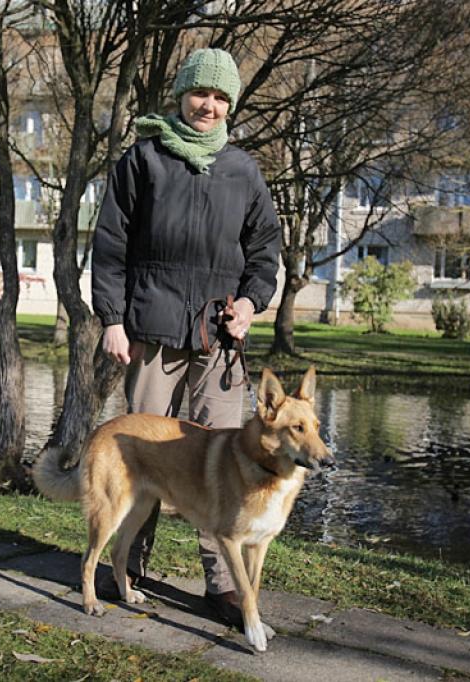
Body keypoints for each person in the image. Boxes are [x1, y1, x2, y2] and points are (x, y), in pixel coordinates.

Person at [91, 47, 281, 626]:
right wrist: (113, 319)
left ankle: (223, 586)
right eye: (203, 93)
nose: (210, 106)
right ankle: (128, 565)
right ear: (182, 94)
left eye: (223, 98)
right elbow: (110, 246)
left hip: (219, 346)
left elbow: (265, 251)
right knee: (143, 457)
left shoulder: (243, 170)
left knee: (226, 462)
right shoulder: (143, 159)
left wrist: (250, 303)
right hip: (150, 332)